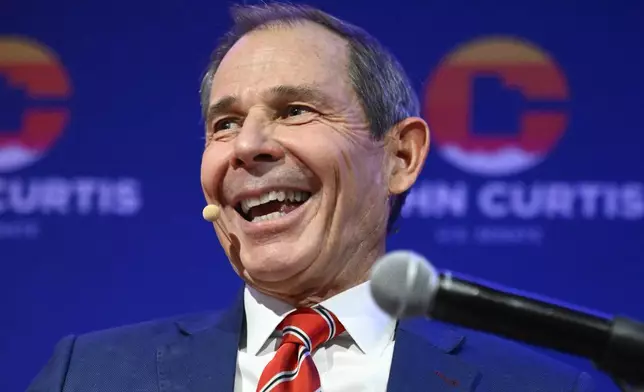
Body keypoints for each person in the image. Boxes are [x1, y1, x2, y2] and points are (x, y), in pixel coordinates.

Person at [28, 2, 594, 391]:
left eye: (295, 110)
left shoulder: (536, 385)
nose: (247, 146)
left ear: (400, 157)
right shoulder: (90, 374)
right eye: (224, 124)